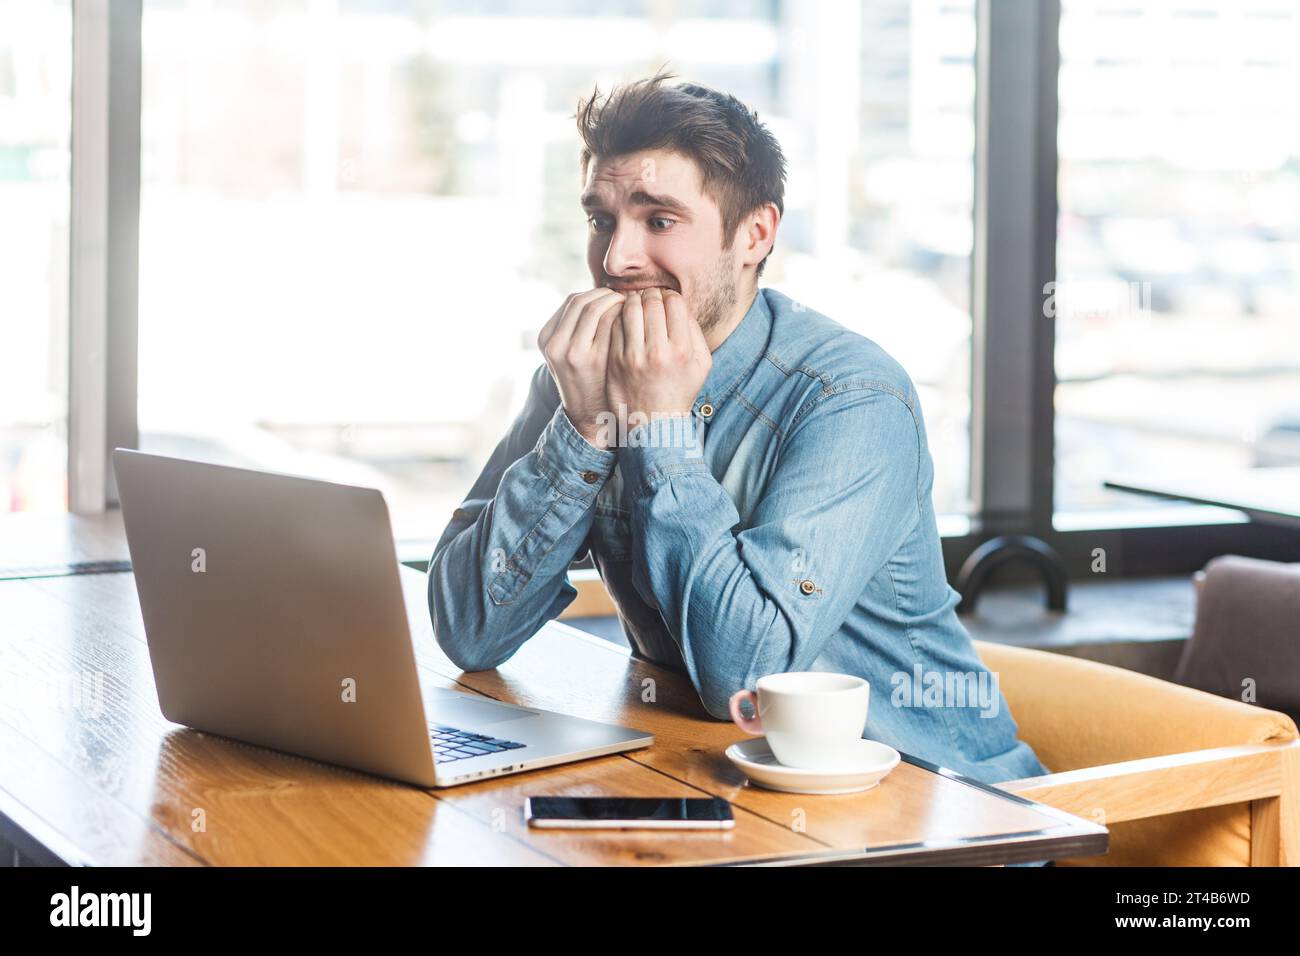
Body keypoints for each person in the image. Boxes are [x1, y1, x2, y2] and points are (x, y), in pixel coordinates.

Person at [427, 71, 1051, 791]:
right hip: (745, 801)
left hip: (950, 813)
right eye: (602, 219)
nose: (617, 258)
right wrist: (586, 428)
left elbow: (744, 676)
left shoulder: (851, 398)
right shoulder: (584, 381)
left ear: (755, 234)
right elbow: (468, 630)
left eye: (659, 220)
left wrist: (658, 428)